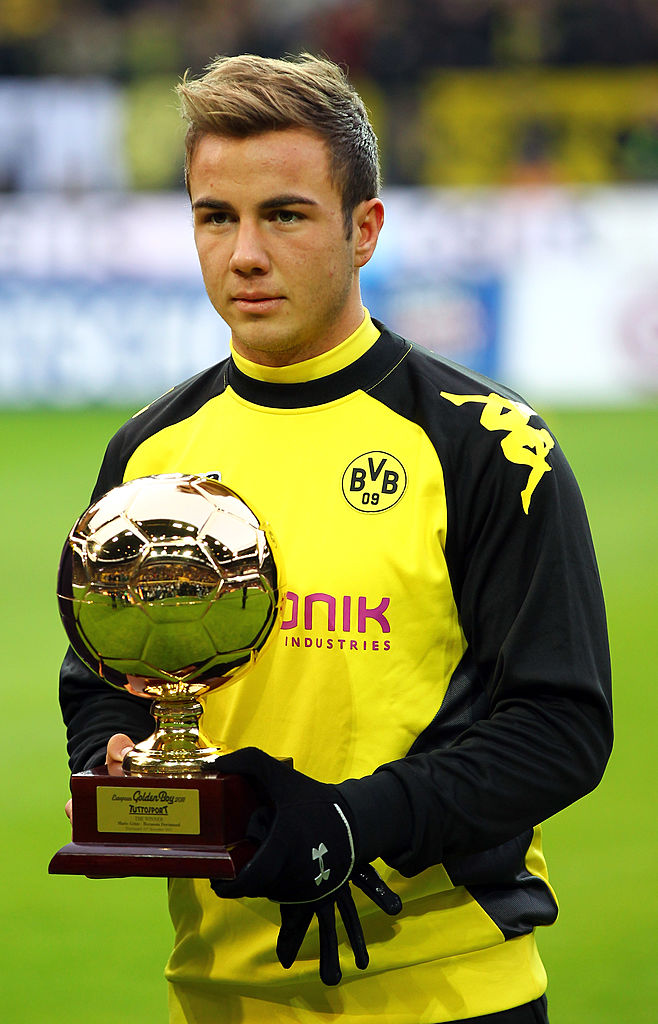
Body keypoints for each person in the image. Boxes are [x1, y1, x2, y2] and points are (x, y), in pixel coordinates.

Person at [59, 53, 613, 1024]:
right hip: (216, 995)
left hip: (444, 989)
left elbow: (559, 727)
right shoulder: (149, 451)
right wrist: (116, 755)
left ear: (363, 230)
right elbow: (103, 672)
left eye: (284, 214)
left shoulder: (485, 446)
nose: (243, 254)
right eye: (214, 216)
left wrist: (359, 820)